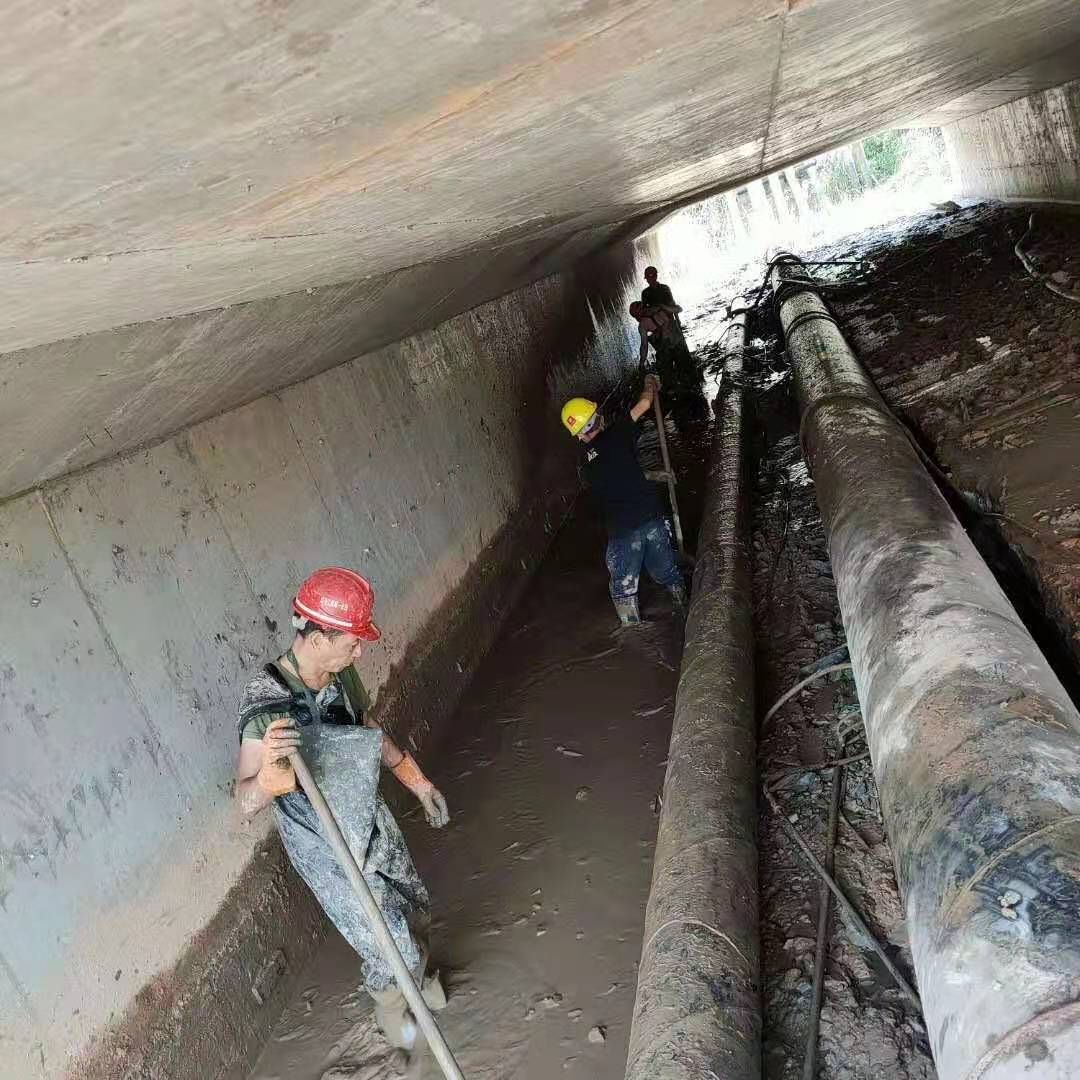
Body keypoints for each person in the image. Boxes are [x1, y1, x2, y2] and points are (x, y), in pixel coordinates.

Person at [235, 568, 450, 1053]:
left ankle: (419, 972)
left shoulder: (340, 672)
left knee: (410, 900)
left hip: (364, 813)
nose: (360, 652)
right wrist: (269, 780)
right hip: (321, 840)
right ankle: (393, 1005)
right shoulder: (266, 704)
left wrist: (414, 779)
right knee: (383, 935)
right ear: (316, 638)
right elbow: (243, 798)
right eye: (352, 642)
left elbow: (367, 726)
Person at [561, 376, 687, 625]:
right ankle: (685, 610)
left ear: (578, 435)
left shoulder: (584, 462)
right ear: (597, 416)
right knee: (667, 572)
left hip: (624, 532)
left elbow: (614, 478)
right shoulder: (619, 432)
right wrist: (650, 384)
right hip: (652, 520)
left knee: (624, 588)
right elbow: (645, 404)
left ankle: (633, 634)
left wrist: (655, 475)